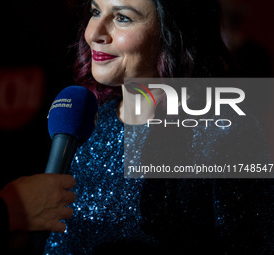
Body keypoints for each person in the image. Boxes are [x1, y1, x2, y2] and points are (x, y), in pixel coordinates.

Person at [43, 0, 273, 254]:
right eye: (96, 12)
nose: (94, 33)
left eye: (122, 18)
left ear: (172, 33)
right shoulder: (88, 125)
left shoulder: (225, 132)